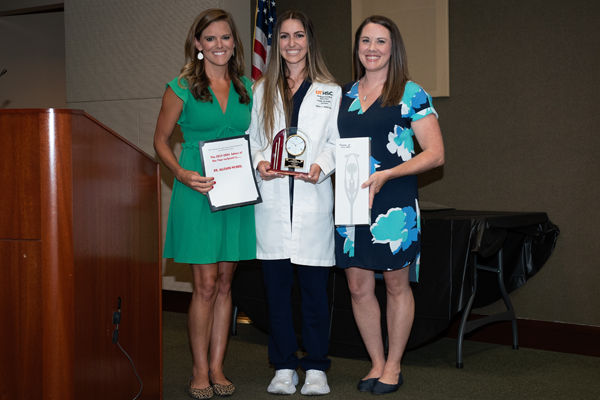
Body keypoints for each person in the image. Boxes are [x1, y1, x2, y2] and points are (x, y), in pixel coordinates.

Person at [335, 15, 445, 395]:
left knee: (396, 285)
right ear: (357, 48)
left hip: (394, 202)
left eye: (380, 42)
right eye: (365, 41)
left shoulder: (412, 93)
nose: (372, 49)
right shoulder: (343, 95)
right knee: (357, 285)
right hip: (350, 203)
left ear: (393, 48)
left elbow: (435, 154)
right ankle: (376, 362)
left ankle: (394, 365)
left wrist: (388, 174)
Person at [153, 9, 254, 400]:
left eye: (226, 38)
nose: (219, 45)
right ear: (197, 44)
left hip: (237, 193)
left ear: (234, 42)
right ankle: (198, 369)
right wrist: (180, 173)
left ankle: (217, 365)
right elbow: (161, 140)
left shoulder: (248, 86)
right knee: (206, 284)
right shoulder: (180, 87)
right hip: (197, 190)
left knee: (227, 283)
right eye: (210, 39)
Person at [247, 9, 341, 396]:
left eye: (298, 35)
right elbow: (253, 139)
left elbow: (338, 143)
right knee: (277, 295)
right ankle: (284, 366)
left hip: (312, 202)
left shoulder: (330, 91)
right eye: (283, 36)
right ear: (276, 44)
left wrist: (322, 165)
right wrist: (259, 163)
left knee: (316, 296)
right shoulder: (261, 90)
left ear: (309, 41)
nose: (291, 43)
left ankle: (316, 367)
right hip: (272, 207)